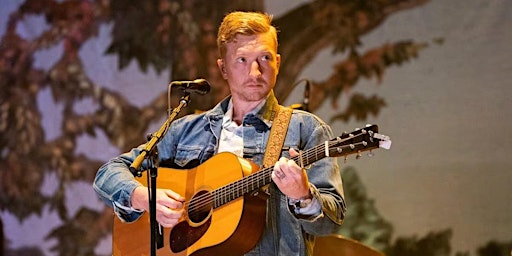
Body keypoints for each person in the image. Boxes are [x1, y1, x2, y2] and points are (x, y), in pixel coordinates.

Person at [93, 11, 346, 256]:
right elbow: (108, 174)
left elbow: (330, 222)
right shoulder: (185, 131)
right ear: (223, 68)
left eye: (265, 58)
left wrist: (303, 196)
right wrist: (144, 198)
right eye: (242, 60)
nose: (255, 72)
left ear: (278, 63)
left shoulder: (306, 130)